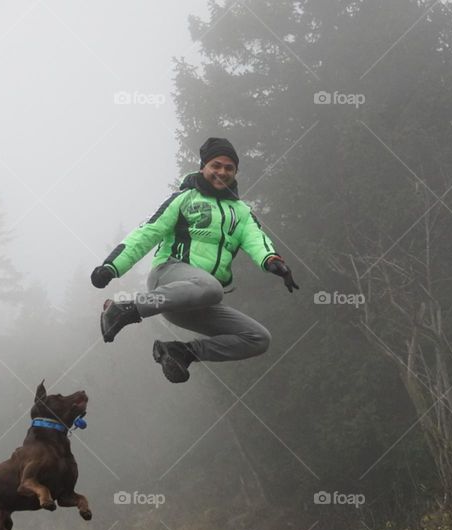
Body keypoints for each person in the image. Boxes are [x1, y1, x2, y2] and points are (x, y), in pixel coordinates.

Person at [90, 137, 299, 383]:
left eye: (229, 168)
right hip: (169, 276)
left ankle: (181, 352)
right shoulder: (184, 199)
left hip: (198, 300)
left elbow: (256, 239)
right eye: (216, 165)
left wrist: (271, 260)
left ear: (235, 172)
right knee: (210, 287)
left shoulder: (241, 212)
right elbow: (147, 232)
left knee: (258, 338)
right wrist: (111, 266)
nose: (222, 172)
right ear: (203, 168)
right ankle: (124, 308)